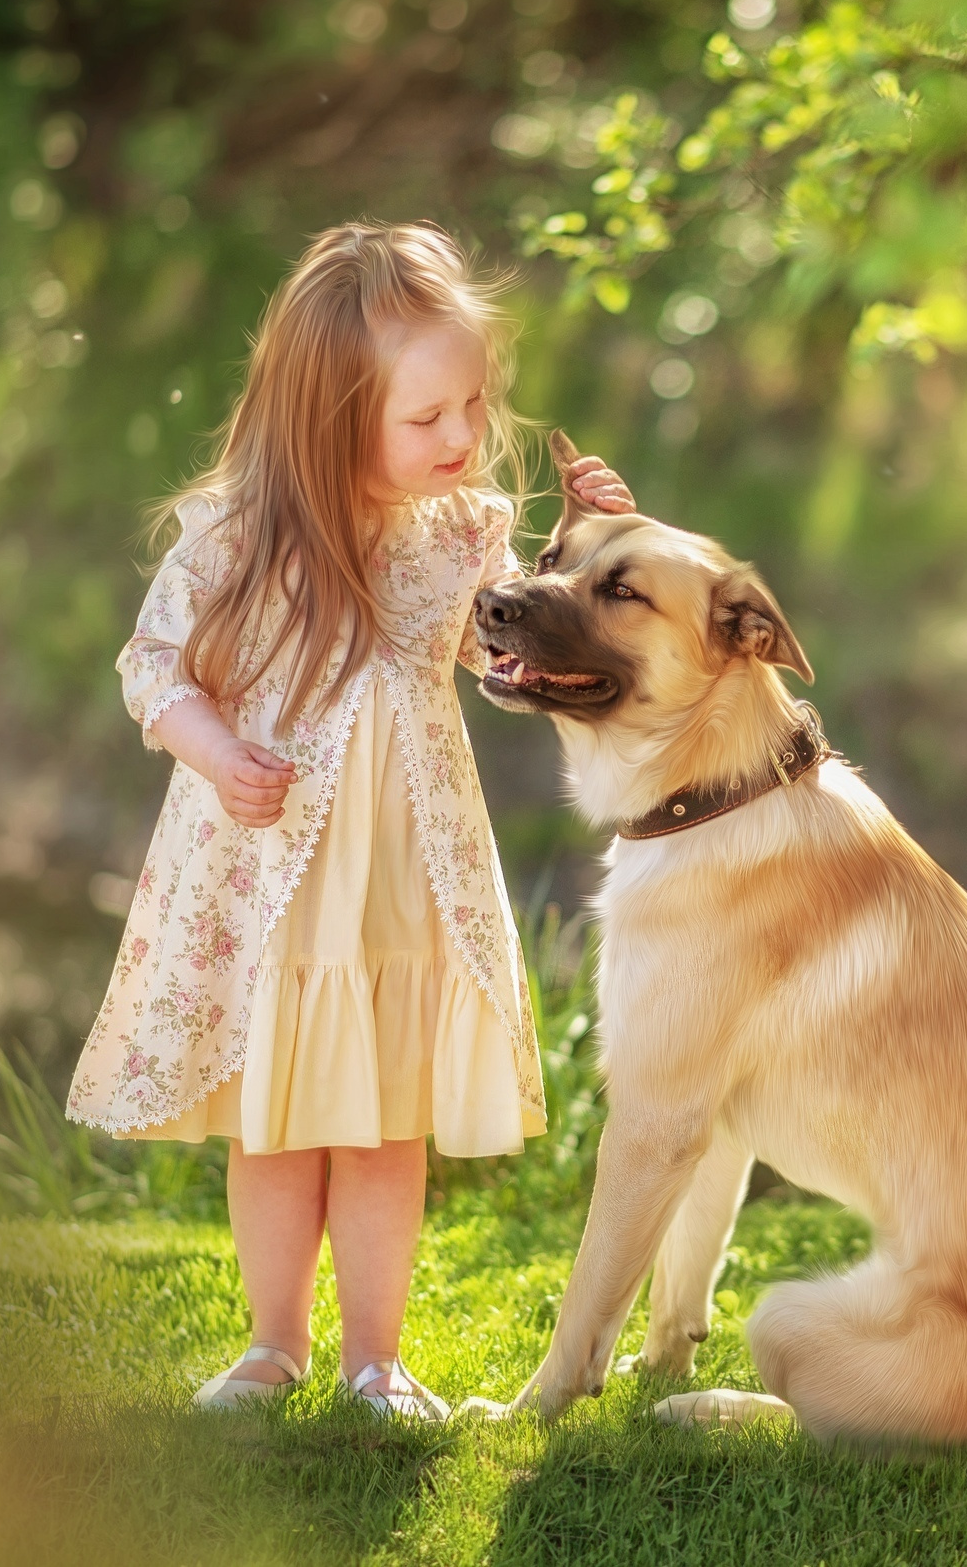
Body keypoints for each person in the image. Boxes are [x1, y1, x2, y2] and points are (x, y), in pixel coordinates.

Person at [66, 221, 633, 1418]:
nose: (465, 437)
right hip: (267, 875)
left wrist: (596, 542)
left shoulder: (464, 528)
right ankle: (274, 1344)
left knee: (384, 1125)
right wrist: (214, 748)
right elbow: (151, 663)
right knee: (274, 1127)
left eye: (472, 406)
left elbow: (522, 635)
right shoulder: (237, 531)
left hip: (401, 872)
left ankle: (377, 1358)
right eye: (425, 418)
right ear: (329, 416)